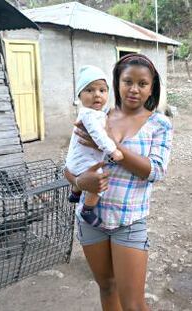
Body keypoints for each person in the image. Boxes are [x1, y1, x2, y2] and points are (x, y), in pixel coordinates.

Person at [65, 53, 173, 310]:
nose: (134, 89)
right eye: (127, 81)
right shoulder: (96, 117)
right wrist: (81, 182)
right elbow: (68, 166)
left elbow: (156, 171)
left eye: (142, 84)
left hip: (129, 221)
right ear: (118, 83)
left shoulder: (159, 124)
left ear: (151, 88)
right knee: (107, 287)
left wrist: (112, 146)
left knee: (134, 304)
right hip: (91, 221)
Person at [65, 65, 124, 227]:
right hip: (83, 161)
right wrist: (113, 151)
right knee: (99, 183)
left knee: (84, 172)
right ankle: (88, 210)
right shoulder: (88, 114)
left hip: (75, 160)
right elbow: (99, 136)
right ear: (79, 96)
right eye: (89, 90)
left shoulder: (96, 113)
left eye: (102, 90)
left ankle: (75, 194)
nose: (96, 95)